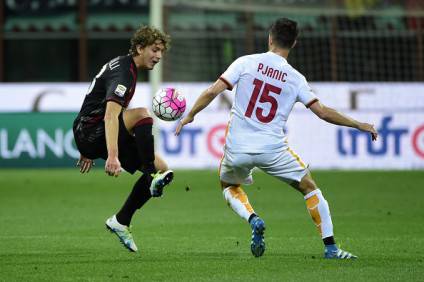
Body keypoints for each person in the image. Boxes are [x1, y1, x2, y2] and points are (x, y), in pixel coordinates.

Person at [175, 18, 378, 259]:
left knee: (229, 185)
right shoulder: (295, 78)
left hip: (238, 147)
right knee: (309, 188)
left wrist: (190, 115)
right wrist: (358, 124)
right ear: (294, 43)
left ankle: (253, 218)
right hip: (272, 148)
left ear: (270, 38)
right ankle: (331, 248)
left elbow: (212, 91)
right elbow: (322, 112)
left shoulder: (246, 62)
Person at [73, 25, 174, 252]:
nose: (158, 56)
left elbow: (93, 102)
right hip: (91, 131)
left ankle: (121, 220)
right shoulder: (124, 74)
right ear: (139, 47)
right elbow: (110, 116)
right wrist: (112, 156)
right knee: (142, 115)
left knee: (162, 168)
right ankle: (149, 173)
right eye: (154, 50)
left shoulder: (125, 66)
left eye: (161, 52)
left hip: (88, 132)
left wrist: (87, 149)